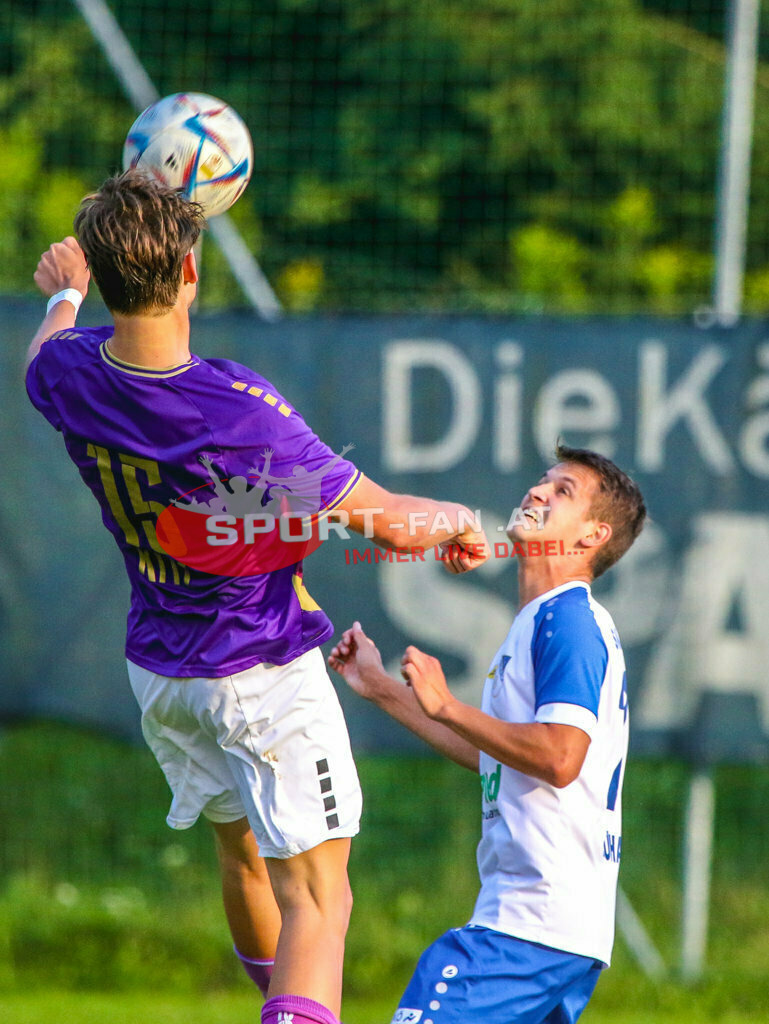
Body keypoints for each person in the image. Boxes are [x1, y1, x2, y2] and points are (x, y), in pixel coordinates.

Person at [25, 170, 489, 1024]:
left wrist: (63, 296)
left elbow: (45, 347)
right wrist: (459, 517)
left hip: (161, 673)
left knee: (243, 861)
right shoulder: (241, 411)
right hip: (257, 671)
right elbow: (384, 524)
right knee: (321, 902)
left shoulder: (68, 375)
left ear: (98, 274)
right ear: (191, 273)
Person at [329, 446, 646, 1024]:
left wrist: (450, 705)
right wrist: (378, 686)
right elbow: (497, 758)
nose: (538, 493)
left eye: (563, 491)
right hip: (558, 929)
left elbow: (559, 757)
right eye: (542, 480)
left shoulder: (568, 618)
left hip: (533, 921)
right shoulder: (539, 619)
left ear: (593, 536)